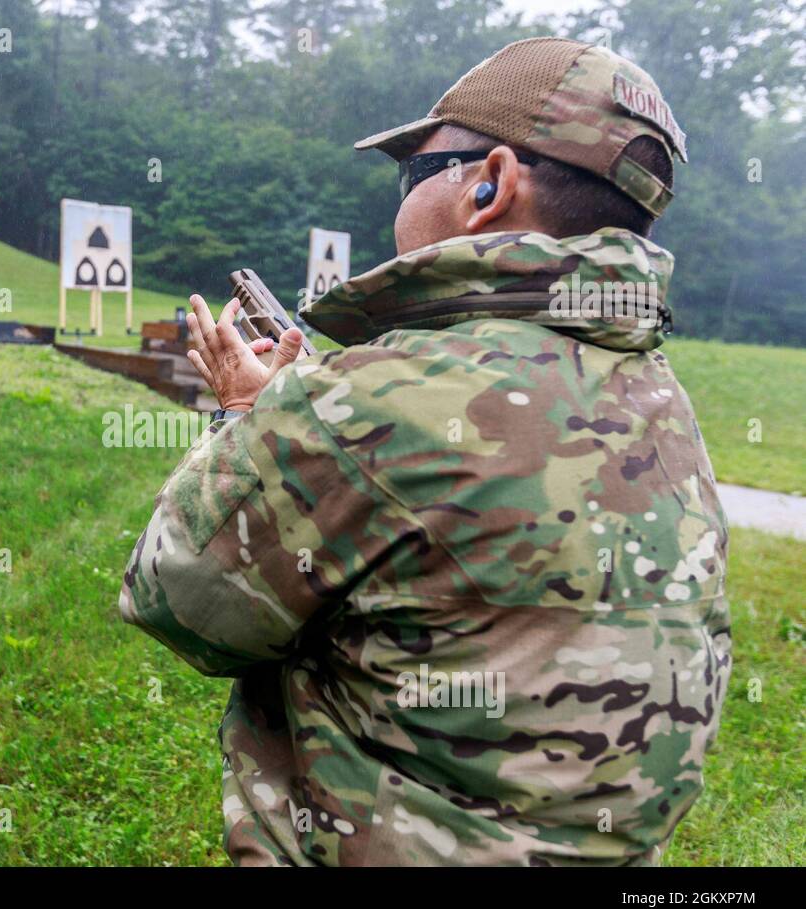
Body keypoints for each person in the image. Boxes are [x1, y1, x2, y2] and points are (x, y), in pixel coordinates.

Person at [118, 36, 731, 866]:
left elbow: (182, 604)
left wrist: (247, 417)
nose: (397, 207)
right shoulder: (661, 397)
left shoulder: (366, 401)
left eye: (415, 175)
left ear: (491, 184)